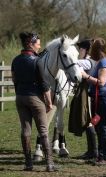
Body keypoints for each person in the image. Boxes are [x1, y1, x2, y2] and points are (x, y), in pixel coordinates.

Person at [11, 32, 57, 172]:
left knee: (25, 130)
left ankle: (28, 163)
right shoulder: (37, 61)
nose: (40, 45)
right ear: (30, 43)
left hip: (20, 97)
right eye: (38, 43)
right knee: (43, 130)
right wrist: (49, 103)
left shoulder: (16, 60)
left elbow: (14, 79)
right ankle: (49, 164)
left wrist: (20, 90)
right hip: (35, 99)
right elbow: (44, 85)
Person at [81, 37, 106, 165]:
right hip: (99, 99)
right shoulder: (101, 62)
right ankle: (101, 156)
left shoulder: (103, 63)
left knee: (103, 128)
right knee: (99, 128)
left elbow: (101, 82)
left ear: (97, 50)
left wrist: (86, 76)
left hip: (104, 99)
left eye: (92, 49)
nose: (90, 52)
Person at [69, 38, 98, 160]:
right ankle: (91, 151)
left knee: (88, 121)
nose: (79, 51)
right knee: (87, 121)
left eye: (80, 48)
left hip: (87, 94)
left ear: (85, 50)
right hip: (84, 93)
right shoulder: (86, 60)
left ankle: (93, 151)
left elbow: (72, 64)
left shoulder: (87, 62)